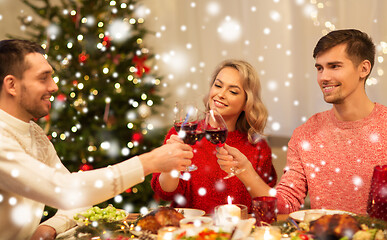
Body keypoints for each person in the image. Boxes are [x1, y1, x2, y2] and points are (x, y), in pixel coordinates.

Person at [0, 39, 193, 240]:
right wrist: (148, 162)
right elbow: (64, 190)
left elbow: (76, 197)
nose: (54, 86)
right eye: (43, 78)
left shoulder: (34, 133)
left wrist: (51, 227)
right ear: (12, 85)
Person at [216, 29, 387, 215]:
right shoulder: (306, 135)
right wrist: (245, 171)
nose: (324, 77)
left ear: (364, 69)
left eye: (334, 66)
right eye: (319, 68)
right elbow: (286, 204)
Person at [151, 59, 277, 214]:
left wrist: (246, 172)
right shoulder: (181, 134)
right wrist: (171, 169)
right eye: (218, 85)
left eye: (233, 91)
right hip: (189, 231)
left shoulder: (257, 146)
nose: (221, 94)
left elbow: (267, 203)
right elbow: (165, 193)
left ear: (246, 103)